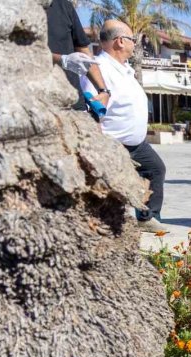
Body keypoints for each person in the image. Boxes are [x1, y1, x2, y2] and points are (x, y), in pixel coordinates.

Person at [81, 21, 166, 233]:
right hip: (113, 142)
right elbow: (92, 103)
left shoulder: (124, 69)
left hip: (136, 143)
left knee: (155, 169)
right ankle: (102, 223)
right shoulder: (98, 68)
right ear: (120, 41)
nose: (135, 45)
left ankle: (147, 218)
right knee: (108, 187)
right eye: (133, 40)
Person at [45, 0, 109, 110]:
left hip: (74, 104)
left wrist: (103, 90)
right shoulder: (15, 8)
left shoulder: (64, 6)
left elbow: (84, 52)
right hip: (38, 103)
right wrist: (61, 59)